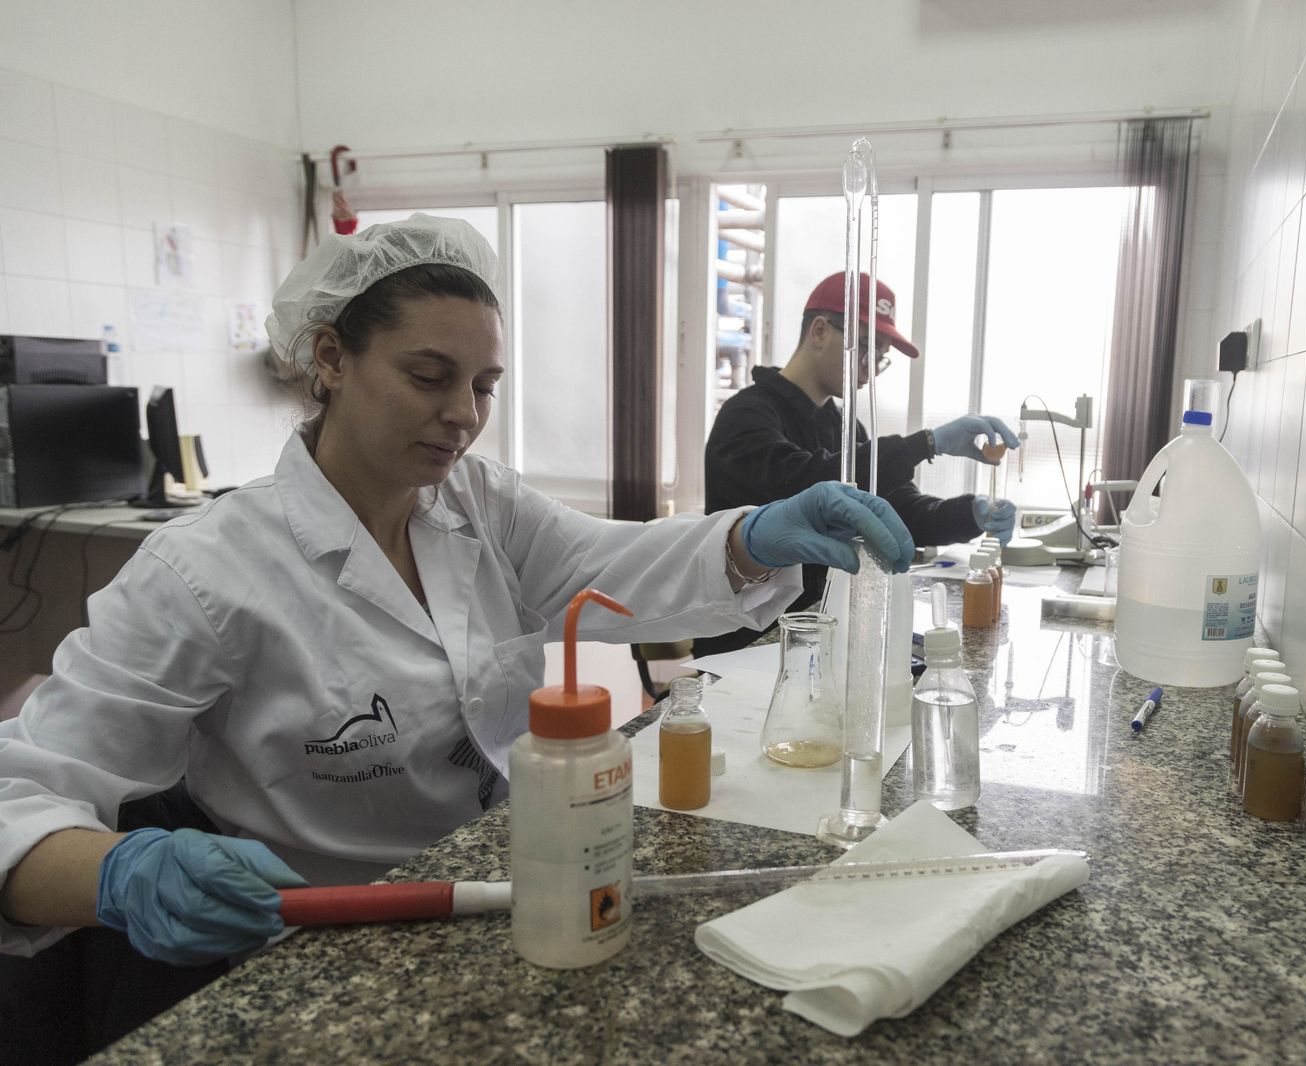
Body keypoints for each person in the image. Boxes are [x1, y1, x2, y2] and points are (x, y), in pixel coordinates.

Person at [0, 215, 914, 1052]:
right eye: (429, 377)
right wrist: (125, 871)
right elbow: (19, 793)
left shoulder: (475, 504)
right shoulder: (203, 572)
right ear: (329, 358)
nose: (465, 416)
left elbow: (606, 564)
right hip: (319, 940)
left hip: (506, 885)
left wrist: (748, 538)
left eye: (483, 386)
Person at [698, 271, 1020, 656]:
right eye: (866, 348)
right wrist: (927, 443)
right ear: (819, 331)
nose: (870, 366)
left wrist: (969, 513)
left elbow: (899, 510)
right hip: (745, 643)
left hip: (818, 634)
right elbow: (807, 483)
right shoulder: (747, 415)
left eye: (881, 358)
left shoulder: (846, 426)